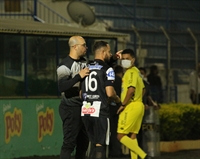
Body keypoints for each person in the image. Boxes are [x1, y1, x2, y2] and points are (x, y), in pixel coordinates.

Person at [80, 41, 122, 159]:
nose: (110, 54)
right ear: (103, 52)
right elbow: (109, 92)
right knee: (100, 145)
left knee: (92, 144)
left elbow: (80, 93)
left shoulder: (86, 67)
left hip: (86, 110)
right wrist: (117, 99)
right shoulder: (107, 69)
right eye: (108, 52)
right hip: (100, 111)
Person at [56, 36, 89, 159]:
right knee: (69, 143)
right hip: (70, 106)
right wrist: (78, 76)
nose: (86, 47)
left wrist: (112, 59)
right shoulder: (64, 65)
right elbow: (62, 86)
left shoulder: (84, 61)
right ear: (75, 47)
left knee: (84, 143)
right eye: (84, 45)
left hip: (83, 107)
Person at [116, 49, 151, 159]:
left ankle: (144, 155)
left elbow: (131, 90)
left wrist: (123, 104)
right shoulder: (137, 72)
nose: (125, 61)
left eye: (127, 59)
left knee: (120, 135)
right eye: (123, 59)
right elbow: (143, 90)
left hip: (131, 106)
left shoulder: (130, 72)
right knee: (132, 136)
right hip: (139, 105)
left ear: (133, 60)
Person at [109, 65, 124, 158]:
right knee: (118, 130)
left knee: (111, 130)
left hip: (110, 108)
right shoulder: (122, 82)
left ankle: (111, 151)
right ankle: (117, 151)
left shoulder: (111, 81)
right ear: (121, 72)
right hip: (119, 108)